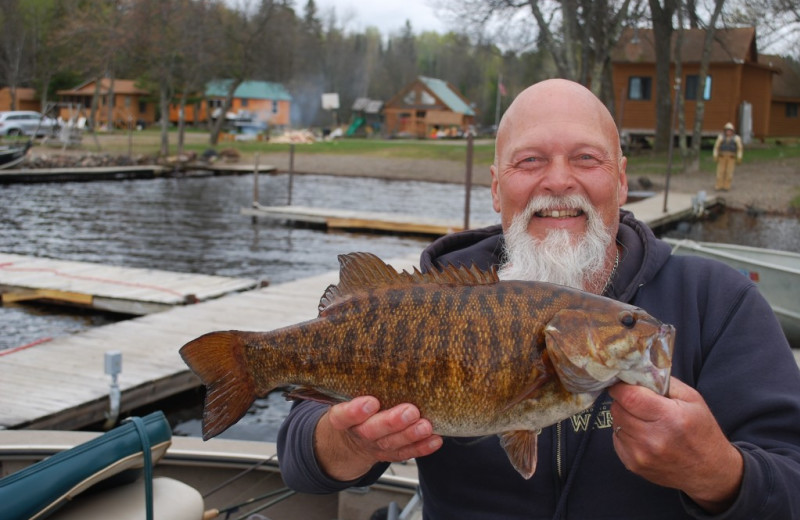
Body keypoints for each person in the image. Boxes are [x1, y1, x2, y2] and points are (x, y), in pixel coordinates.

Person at [277, 79, 800, 519]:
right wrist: (343, 443)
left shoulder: (717, 302)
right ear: (496, 187)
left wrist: (718, 474)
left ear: (620, 181)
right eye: (530, 161)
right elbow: (298, 459)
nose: (557, 181)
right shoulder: (425, 298)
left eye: (585, 158)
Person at [712, 122, 743, 191]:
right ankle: (719, 185)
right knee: (720, 172)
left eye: (730, 130)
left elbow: (739, 148)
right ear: (725, 131)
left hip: (731, 158)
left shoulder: (736, 138)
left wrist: (739, 157)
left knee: (729, 173)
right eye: (727, 130)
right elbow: (716, 147)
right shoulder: (721, 137)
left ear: (733, 131)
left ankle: (727, 186)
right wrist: (715, 155)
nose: (728, 132)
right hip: (722, 157)